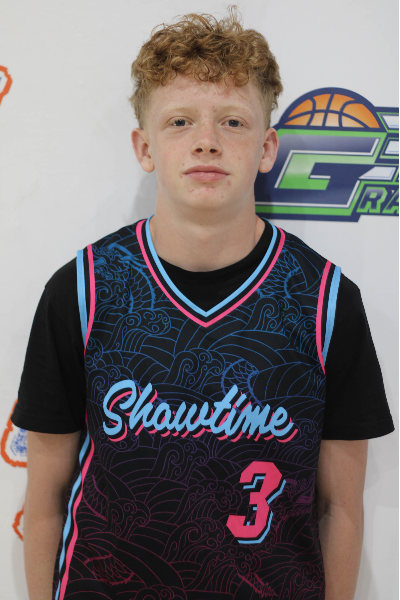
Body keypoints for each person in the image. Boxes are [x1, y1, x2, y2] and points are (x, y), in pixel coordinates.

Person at [12, 7, 395, 600]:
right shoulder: (82, 291)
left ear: (267, 147)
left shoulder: (326, 302)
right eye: (180, 121)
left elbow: (341, 510)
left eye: (233, 122)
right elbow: (43, 504)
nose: (207, 141)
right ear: (144, 147)